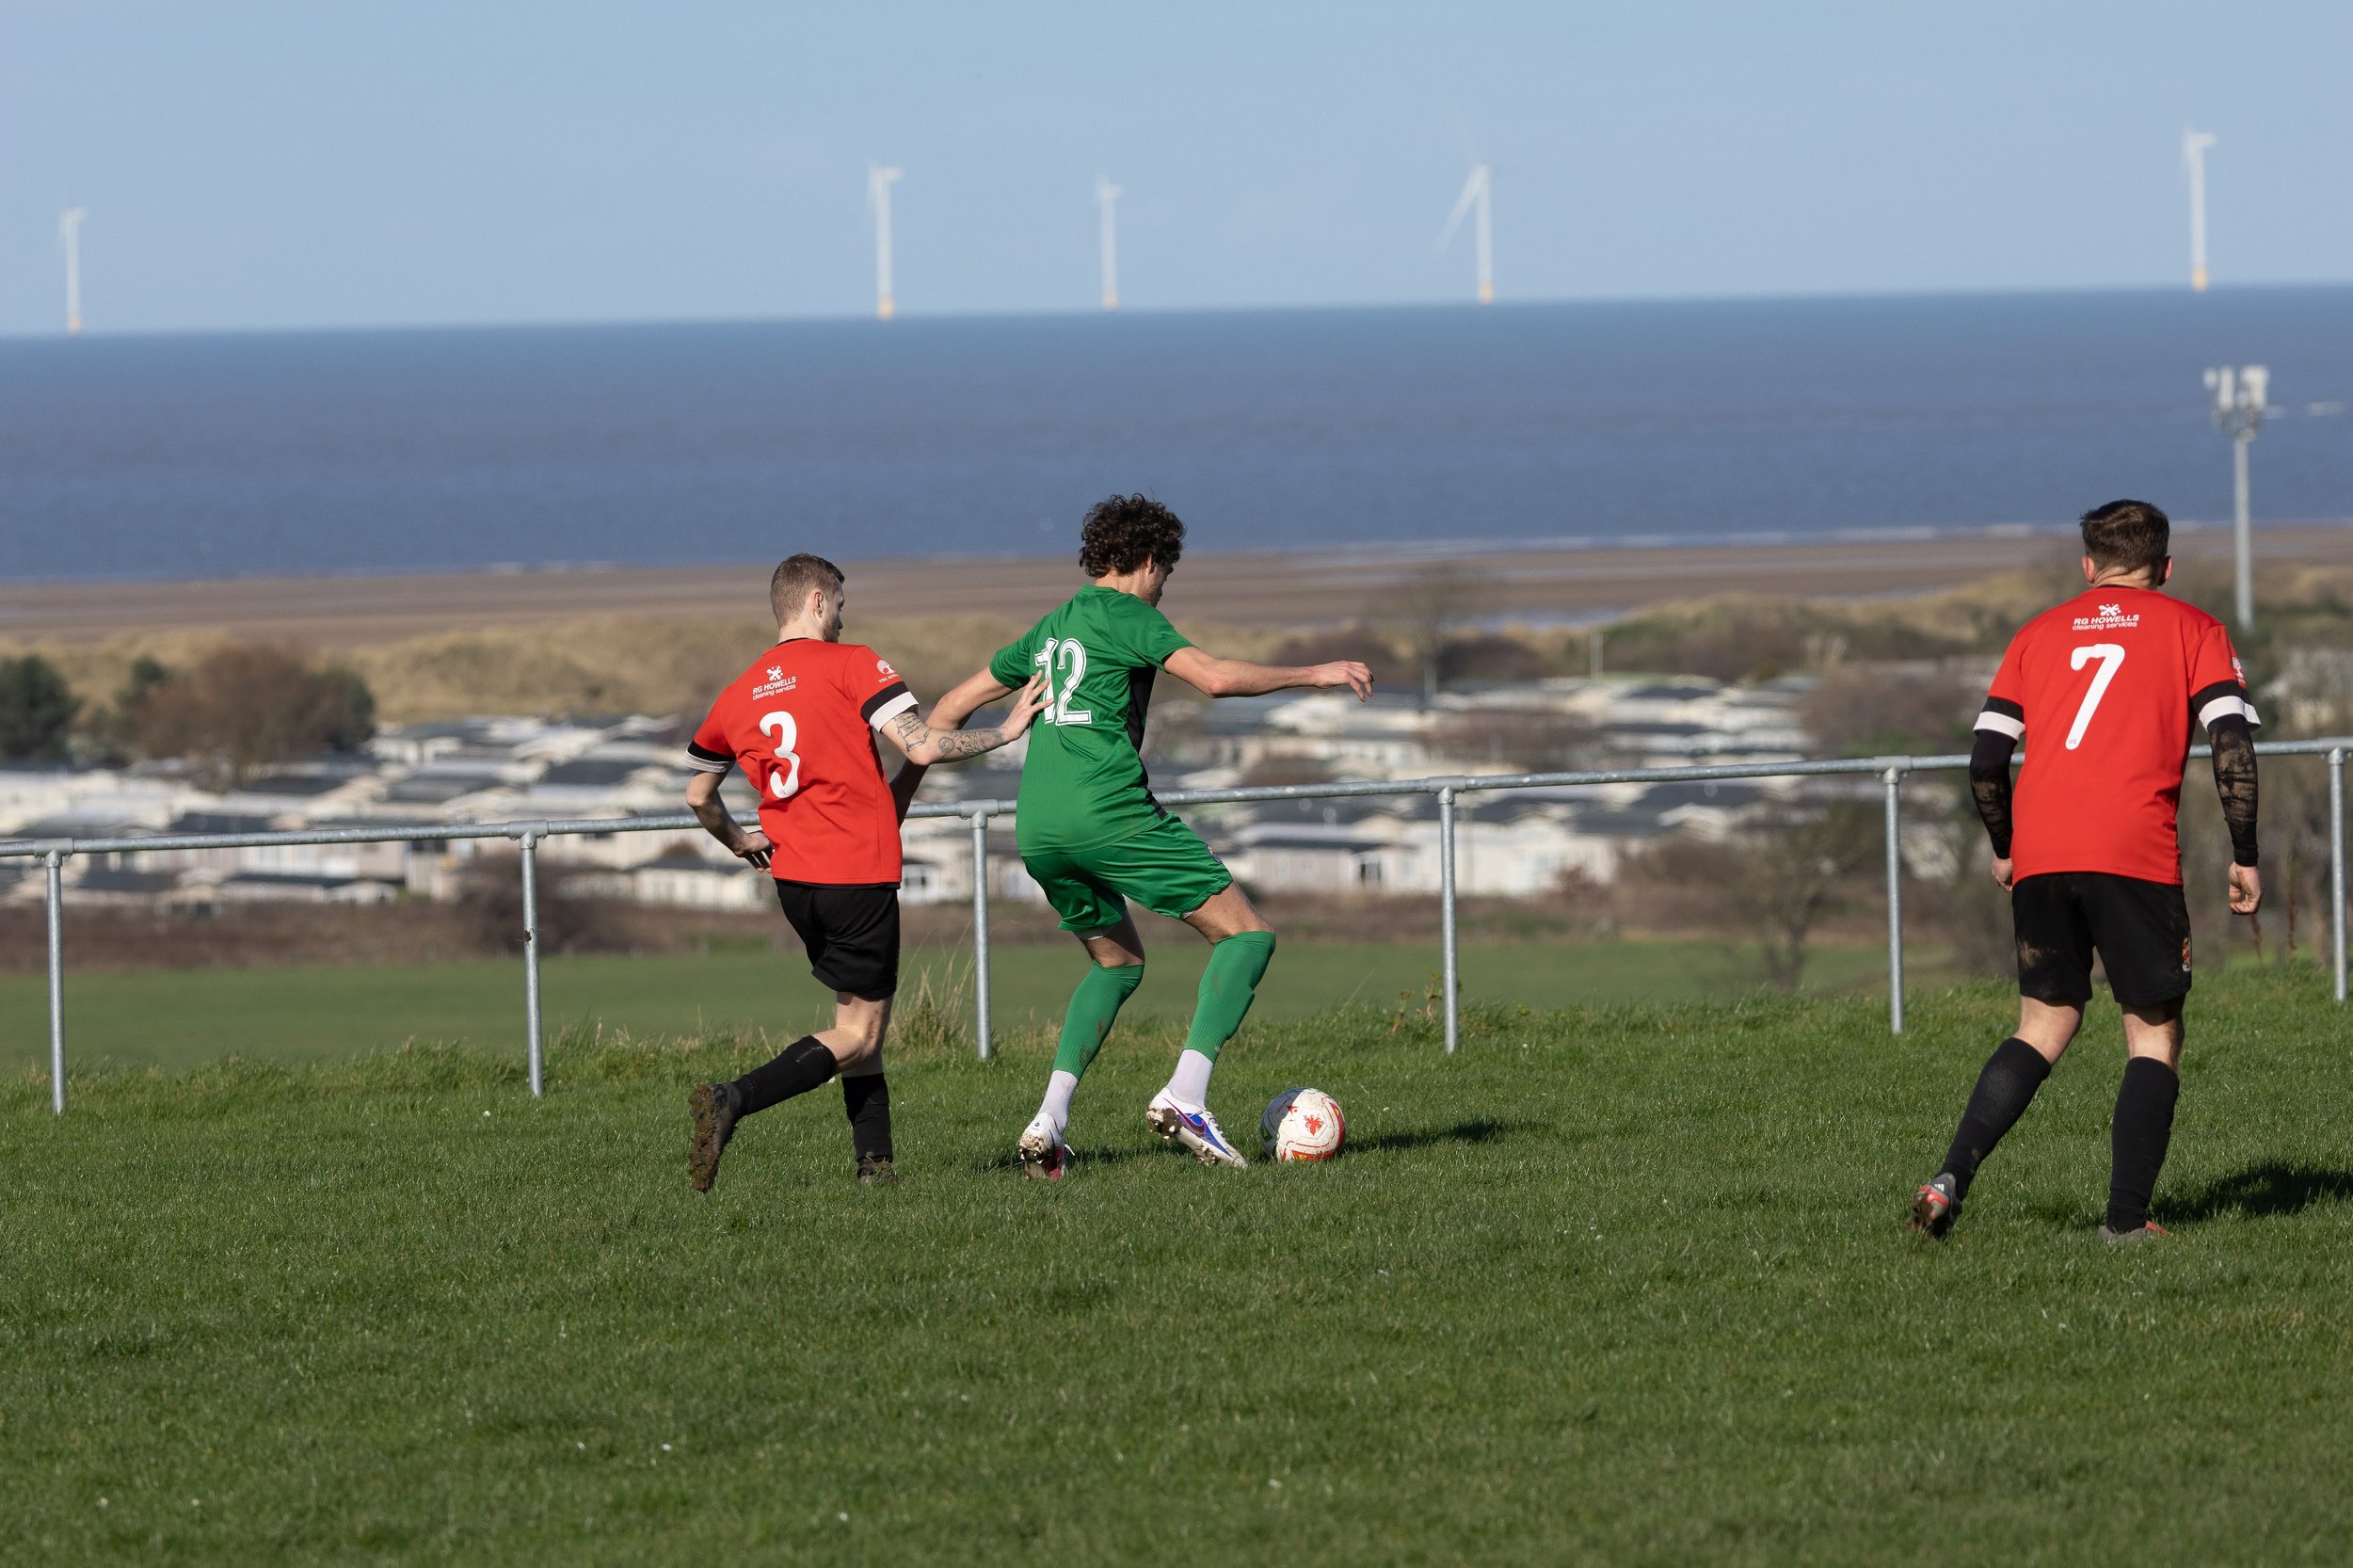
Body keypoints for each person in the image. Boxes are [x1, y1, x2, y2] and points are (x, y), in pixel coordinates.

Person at [914, 494, 1373, 1178]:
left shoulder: (1051, 626)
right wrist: (1318, 673)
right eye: (1166, 576)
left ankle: (1049, 1120)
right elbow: (1214, 679)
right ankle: (1186, 1098)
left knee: (1118, 964)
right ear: (1150, 563)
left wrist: (907, 789)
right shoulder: (1132, 615)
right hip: (1110, 813)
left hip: (1039, 825)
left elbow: (947, 709)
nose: (1163, 591)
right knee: (1247, 935)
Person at [1910, 499, 2261, 1242]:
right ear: (2164, 568)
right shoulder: (2193, 628)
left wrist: (2007, 845)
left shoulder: (2036, 635)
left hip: (2043, 855)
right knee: (2154, 1034)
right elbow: (2231, 747)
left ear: (2088, 566)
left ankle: (1948, 1179)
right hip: (2130, 853)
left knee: (2043, 1024)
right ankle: (2126, 1224)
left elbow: (1984, 762)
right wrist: (2245, 853)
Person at [681, 552, 1048, 1192]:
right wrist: (1009, 729)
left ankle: (874, 1166)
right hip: (855, 875)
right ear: (819, 601)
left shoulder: (738, 692)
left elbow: (697, 796)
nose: (845, 619)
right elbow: (923, 742)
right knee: (860, 1031)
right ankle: (732, 1098)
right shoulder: (852, 664)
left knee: (855, 1019)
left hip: (796, 884)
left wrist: (740, 840)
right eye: (841, 604)